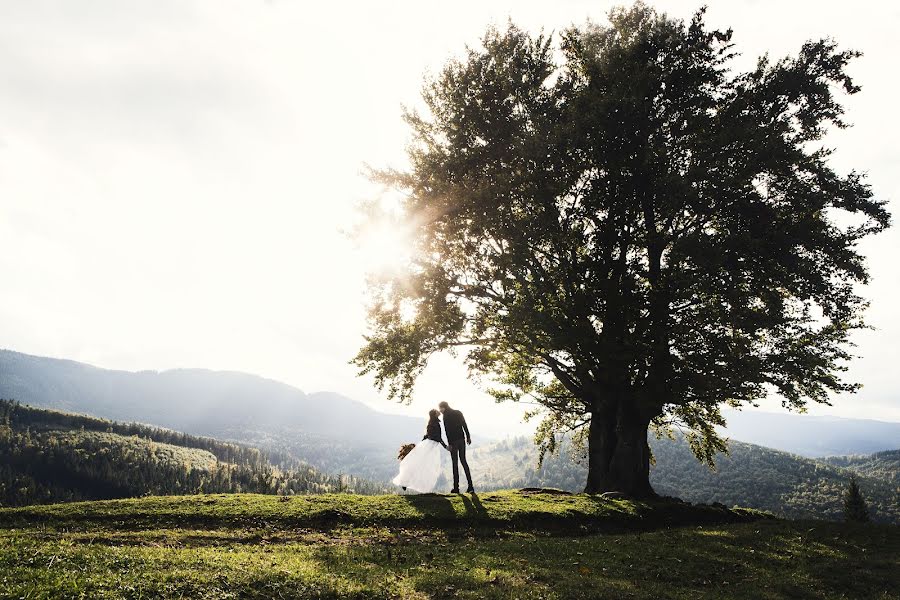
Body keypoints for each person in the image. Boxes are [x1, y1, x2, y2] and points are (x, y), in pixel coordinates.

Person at [392, 409, 447, 493]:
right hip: (430, 446)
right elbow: (437, 437)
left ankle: (408, 481)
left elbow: (428, 436)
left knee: (424, 465)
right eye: (437, 411)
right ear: (434, 414)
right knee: (422, 464)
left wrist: (420, 445)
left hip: (431, 446)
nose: (438, 411)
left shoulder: (433, 422)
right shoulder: (433, 423)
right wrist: (445, 446)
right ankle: (405, 480)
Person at [438, 401, 473, 493]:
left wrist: (449, 444)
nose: (440, 410)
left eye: (440, 408)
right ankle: (471, 486)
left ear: (444, 407)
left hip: (453, 442)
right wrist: (468, 437)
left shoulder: (445, 416)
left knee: (455, 464)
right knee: (464, 461)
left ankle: (456, 488)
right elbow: (464, 425)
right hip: (461, 440)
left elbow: (447, 431)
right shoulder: (458, 412)